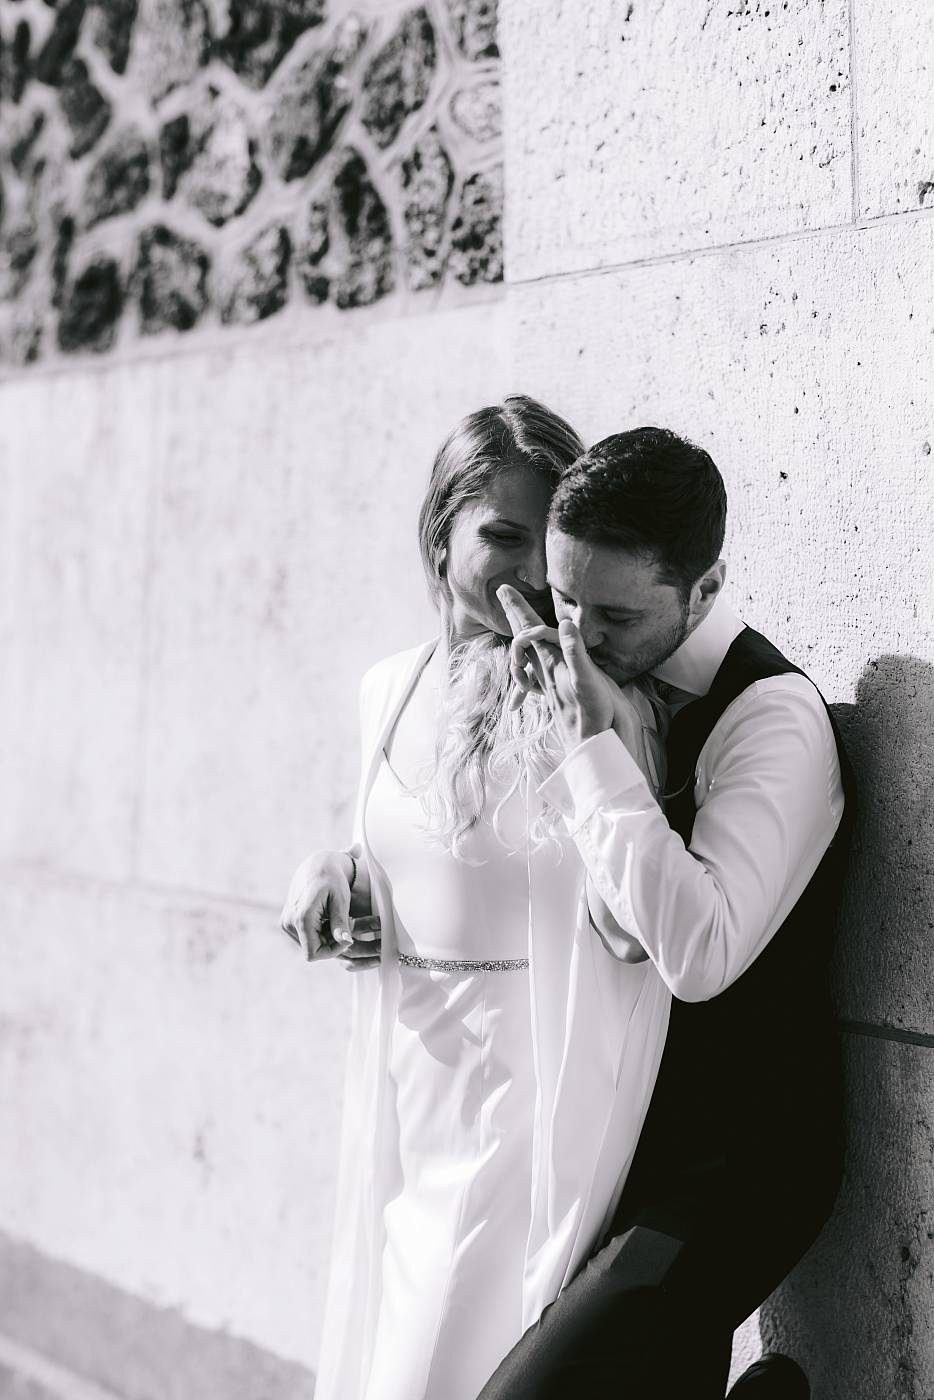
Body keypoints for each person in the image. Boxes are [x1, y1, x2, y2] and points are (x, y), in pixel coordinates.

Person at [279, 399, 672, 1400]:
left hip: (522, 1119)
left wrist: (596, 733)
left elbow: (631, 922)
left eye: (547, 542)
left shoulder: (587, 699)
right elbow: (415, 842)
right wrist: (334, 866)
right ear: (438, 531)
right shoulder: (386, 688)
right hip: (409, 1099)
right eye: (501, 533)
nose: (529, 572)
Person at [484, 426, 854, 1399]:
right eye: (564, 599)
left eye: (611, 610)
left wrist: (591, 754)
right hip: (626, 1133)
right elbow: (614, 929)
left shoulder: (771, 716)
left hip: (738, 1159)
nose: (578, 636)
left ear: (703, 584)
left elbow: (697, 949)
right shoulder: (600, 685)